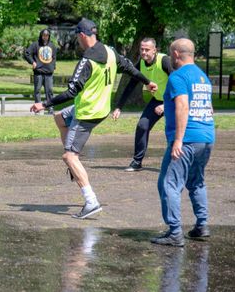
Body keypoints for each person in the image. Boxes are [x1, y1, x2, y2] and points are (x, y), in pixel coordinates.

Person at [30, 18, 157, 219]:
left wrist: (43, 104)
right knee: (60, 119)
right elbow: (131, 68)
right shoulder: (110, 51)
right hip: (99, 108)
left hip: (87, 113)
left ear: (82, 35)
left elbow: (71, 92)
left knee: (69, 156)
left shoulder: (87, 60)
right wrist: (147, 81)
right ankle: (74, 164)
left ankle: (91, 201)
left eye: (77, 38)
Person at [150, 38, 215, 247]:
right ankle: (202, 225)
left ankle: (175, 232)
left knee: (168, 183)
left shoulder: (178, 77)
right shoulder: (203, 77)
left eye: (171, 54)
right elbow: (209, 109)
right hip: (206, 138)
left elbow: (182, 106)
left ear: (176, 54)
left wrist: (178, 140)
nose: (170, 57)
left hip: (186, 139)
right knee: (196, 181)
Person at [112, 38, 173, 171]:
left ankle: (177, 163)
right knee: (142, 125)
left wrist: (167, 105)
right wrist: (119, 107)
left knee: (173, 131)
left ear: (155, 50)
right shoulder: (141, 64)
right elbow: (130, 86)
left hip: (174, 100)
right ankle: (137, 162)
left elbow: (178, 82)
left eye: (147, 49)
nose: (144, 52)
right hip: (157, 100)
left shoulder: (165, 61)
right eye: (142, 49)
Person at [25, 29, 57, 115]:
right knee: (37, 91)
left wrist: (53, 66)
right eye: (44, 35)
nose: (45, 37)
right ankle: (38, 109)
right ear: (41, 35)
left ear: (49, 36)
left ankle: (50, 108)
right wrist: (32, 62)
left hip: (48, 73)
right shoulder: (36, 45)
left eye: (47, 35)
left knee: (49, 91)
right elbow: (27, 53)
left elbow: (54, 57)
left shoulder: (52, 46)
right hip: (38, 72)